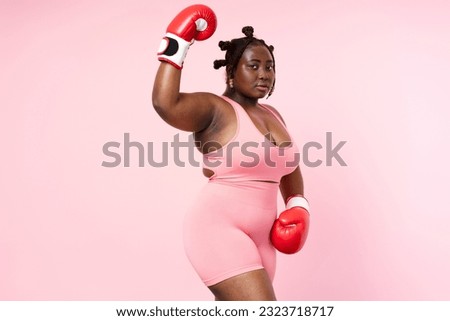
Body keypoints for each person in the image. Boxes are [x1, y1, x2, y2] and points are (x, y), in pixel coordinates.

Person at [152, 5, 310, 301]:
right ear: (231, 72)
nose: (264, 74)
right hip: (219, 230)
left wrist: (298, 204)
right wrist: (176, 44)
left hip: (263, 239)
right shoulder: (215, 109)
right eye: (254, 66)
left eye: (270, 66)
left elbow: (289, 167)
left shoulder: (273, 114)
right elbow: (166, 104)